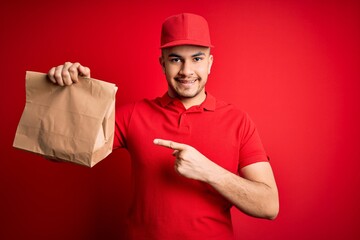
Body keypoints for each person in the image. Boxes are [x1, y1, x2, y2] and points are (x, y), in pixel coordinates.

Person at [48, 13, 279, 240]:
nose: (186, 71)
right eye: (175, 59)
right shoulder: (133, 115)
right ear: (162, 63)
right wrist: (68, 93)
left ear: (210, 63)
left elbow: (269, 206)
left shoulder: (238, 121)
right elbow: (58, 151)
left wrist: (208, 171)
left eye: (197, 59)